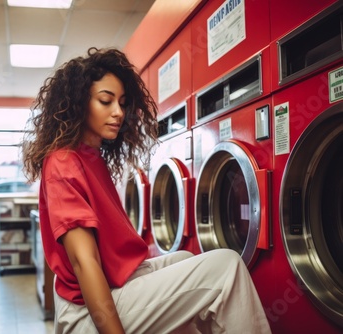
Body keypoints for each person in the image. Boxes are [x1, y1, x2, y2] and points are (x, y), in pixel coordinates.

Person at [22, 47, 271, 334]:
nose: (118, 112)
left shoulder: (91, 157)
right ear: (78, 103)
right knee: (226, 267)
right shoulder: (64, 162)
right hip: (86, 315)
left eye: (123, 103)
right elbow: (83, 262)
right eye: (106, 101)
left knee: (186, 259)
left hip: (113, 285)